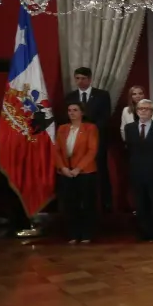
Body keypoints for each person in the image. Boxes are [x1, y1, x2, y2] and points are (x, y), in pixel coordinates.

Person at [63, 67, 112, 211]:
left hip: (96, 140)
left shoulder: (102, 95)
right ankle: (79, 205)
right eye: (77, 78)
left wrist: (89, 132)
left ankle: (104, 203)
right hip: (76, 143)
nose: (80, 81)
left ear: (90, 79)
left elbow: (105, 118)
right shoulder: (70, 97)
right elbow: (68, 119)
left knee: (100, 172)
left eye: (83, 78)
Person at [56, 101, 100, 243]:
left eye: (75, 110)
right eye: (69, 110)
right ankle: (73, 234)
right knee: (70, 204)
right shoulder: (62, 129)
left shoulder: (90, 128)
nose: (72, 113)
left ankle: (87, 234)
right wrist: (63, 168)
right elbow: (56, 151)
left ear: (82, 112)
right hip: (66, 172)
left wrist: (78, 169)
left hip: (85, 172)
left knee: (86, 203)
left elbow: (92, 150)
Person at [125, 99, 153, 242]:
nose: (143, 111)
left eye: (146, 109)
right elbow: (130, 149)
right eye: (140, 108)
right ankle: (143, 232)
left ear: (152, 112)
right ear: (136, 111)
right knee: (140, 203)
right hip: (136, 171)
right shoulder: (129, 128)